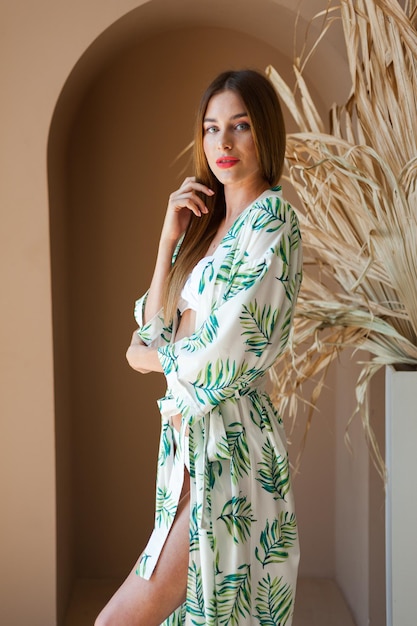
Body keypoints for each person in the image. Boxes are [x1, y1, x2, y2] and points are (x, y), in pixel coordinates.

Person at [96, 69, 302, 626]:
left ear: (265, 133)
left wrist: (153, 358)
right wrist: (168, 240)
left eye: (240, 126)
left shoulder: (273, 225)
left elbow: (227, 348)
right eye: (212, 129)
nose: (223, 143)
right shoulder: (207, 229)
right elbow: (152, 327)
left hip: (232, 450)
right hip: (188, 458)